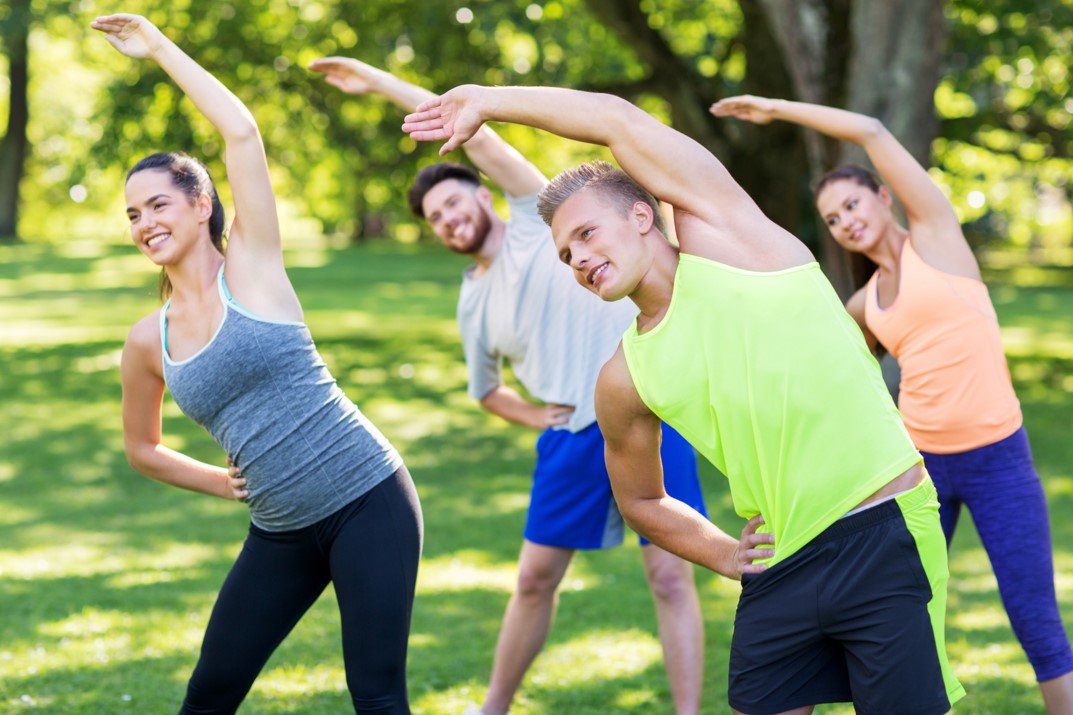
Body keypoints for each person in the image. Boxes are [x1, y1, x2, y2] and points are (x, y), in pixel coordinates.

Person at [403, 85, 966, 715]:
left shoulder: (734, 243)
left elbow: (616, 121)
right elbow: (640, 499)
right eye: (567, 255)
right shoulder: (623, 377)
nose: (580, 259)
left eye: (587, 234)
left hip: (883, 529)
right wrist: (724, 552)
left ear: (642, 216)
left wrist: (487, 100)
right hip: (780, 560)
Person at [309, 57, 708, 715]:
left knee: (669, 575)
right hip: (573, 440)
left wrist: (381, 84)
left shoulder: (533, 217)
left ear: (482, 195)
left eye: (453, 202)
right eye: (434, 217)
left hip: (650, 411)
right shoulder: (472, 304)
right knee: (532, 580)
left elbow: (476, 129)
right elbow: (485, 390)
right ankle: (493, 705)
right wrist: (536, 418)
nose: (447, 219)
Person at [93, 15, 422, 714]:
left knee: (377, 694)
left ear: (200, 202)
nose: (145, 222)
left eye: (158, 203)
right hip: (280, 528)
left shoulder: (253, 263)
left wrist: (157, 48)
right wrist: (220, 483)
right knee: (209, 693)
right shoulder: (145, 341)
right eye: (131, 214)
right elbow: (142, 449)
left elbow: (241, 132)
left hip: (368, 497)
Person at [711, 93, 1073, 714]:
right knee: (899, 617)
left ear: (882, 196)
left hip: (996, 461)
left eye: (851, 203)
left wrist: (777, 109)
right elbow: (818, 383)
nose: (845, 220)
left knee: (1034, 617)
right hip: (916, 473)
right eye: (830, 218)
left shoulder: (937, 239)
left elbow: (873, 129)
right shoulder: (864, 305)